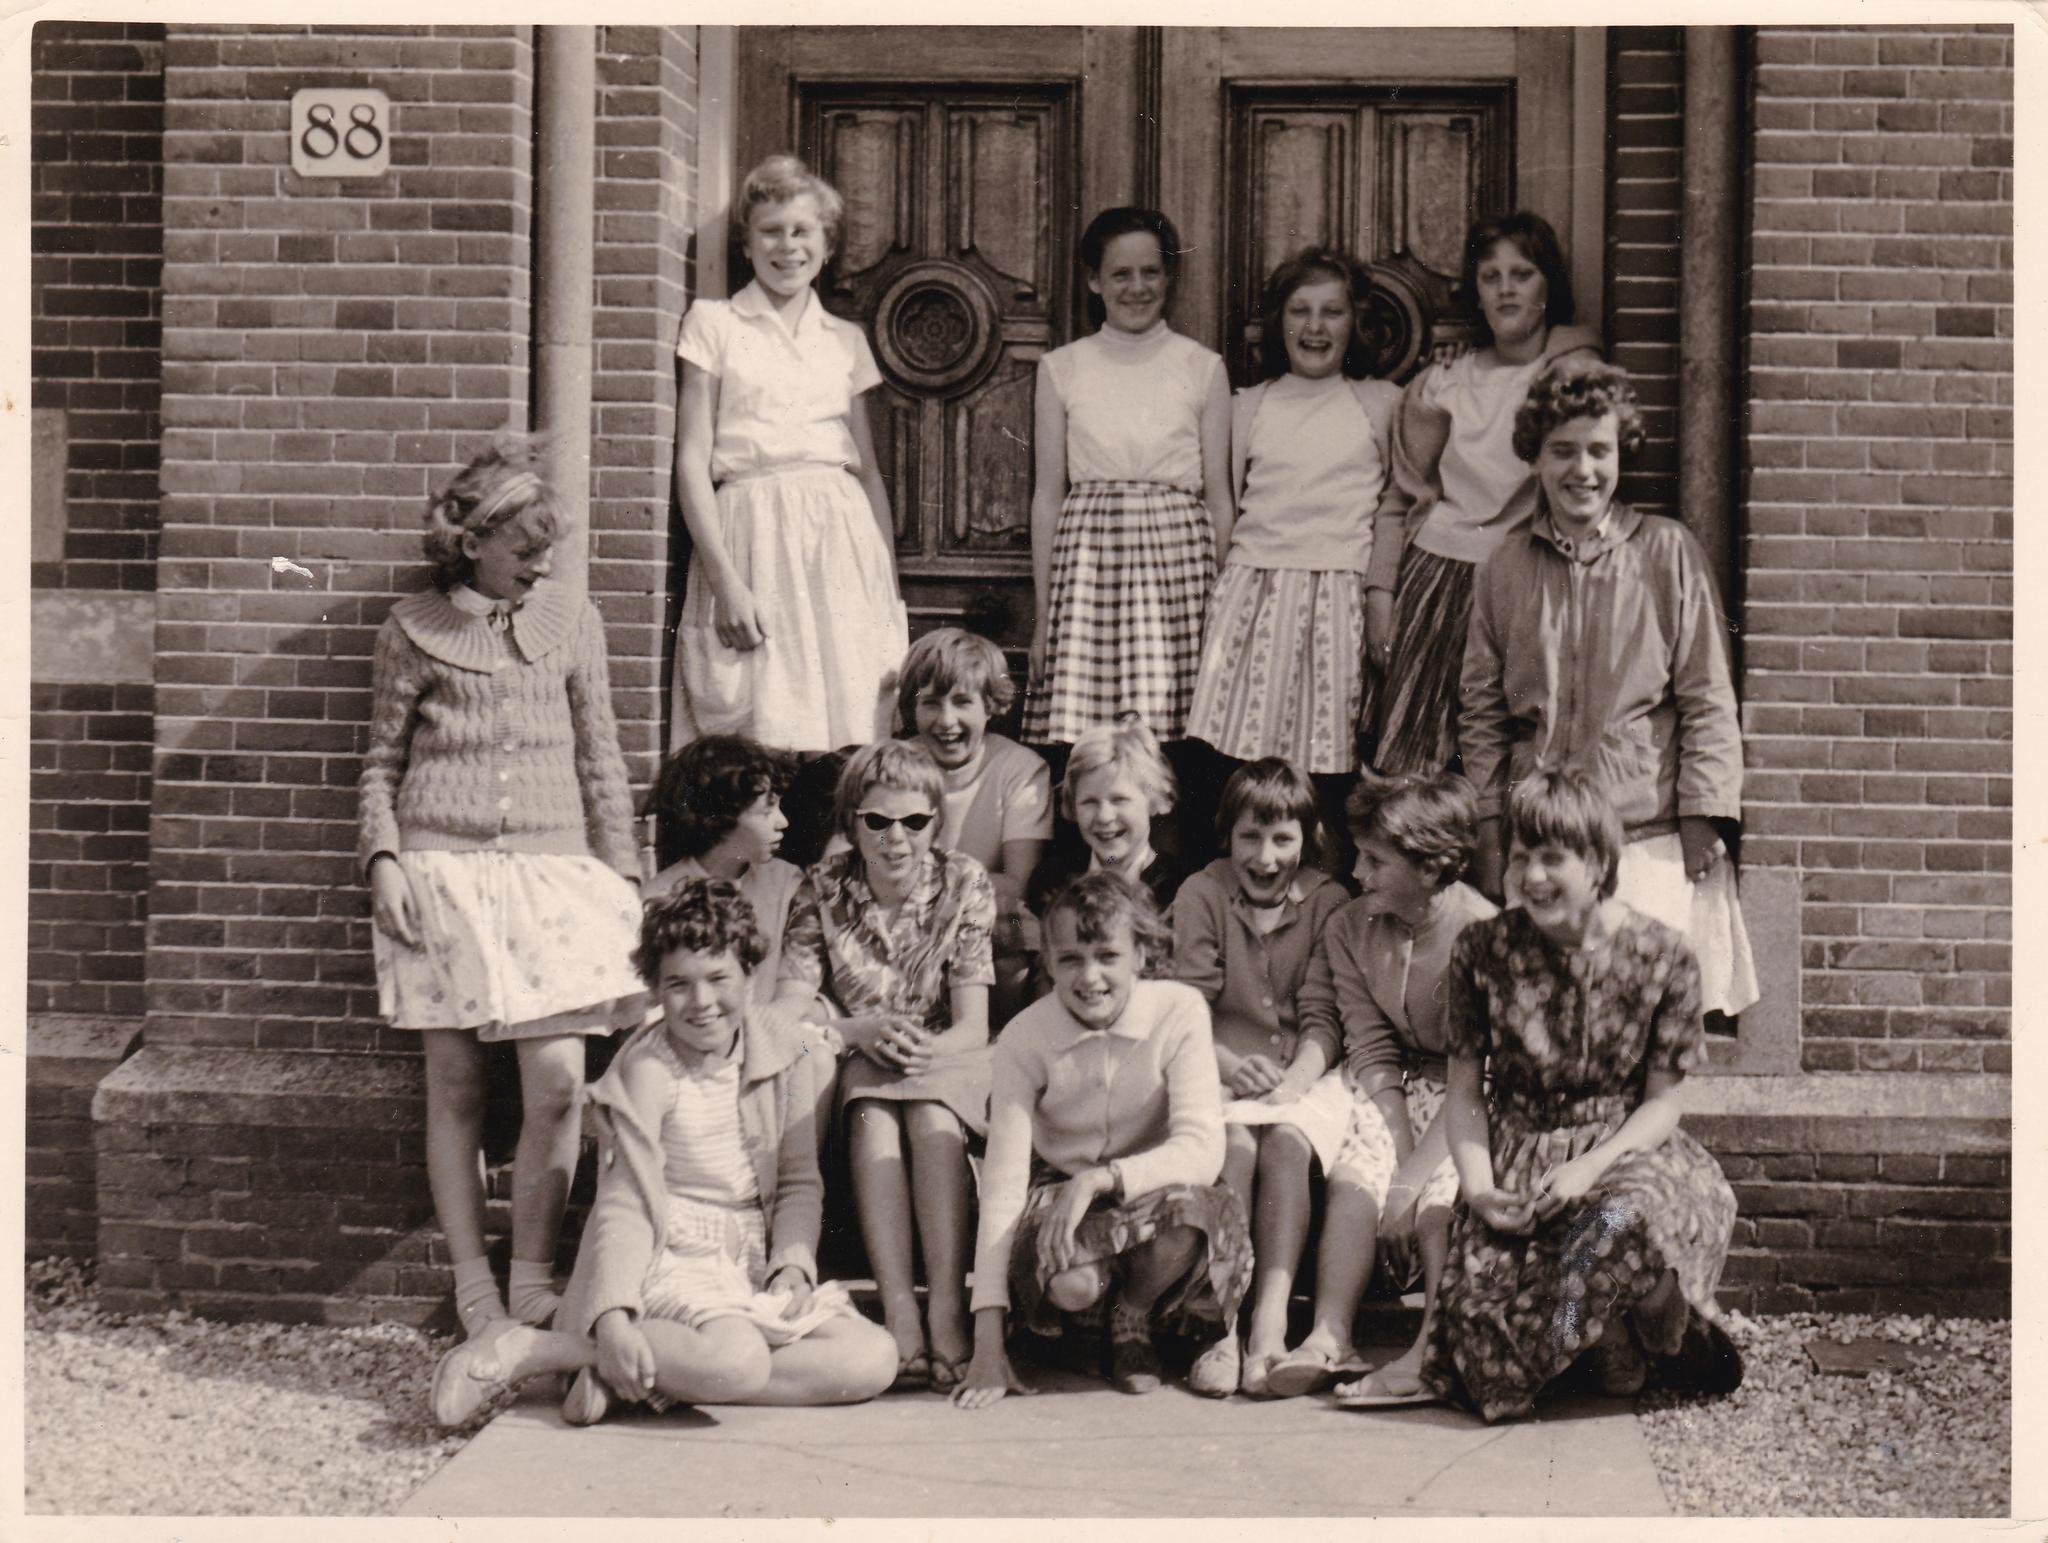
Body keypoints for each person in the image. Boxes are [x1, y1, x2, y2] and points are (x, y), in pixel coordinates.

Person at [359, 433, 645, 1343]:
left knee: (558, 1082)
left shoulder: (574, 622)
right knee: (455, 1085)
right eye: (524, 548)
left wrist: (624, 876)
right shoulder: (411, 631)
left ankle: (531, 1278)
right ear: (472, 541)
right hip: (441, 877)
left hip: (553, 875)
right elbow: (380, 764)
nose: (541, 564)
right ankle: (475, 1286)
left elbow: (602, 758)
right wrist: (382, 859)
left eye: (548, 547)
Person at [427, 880, 899, 1427]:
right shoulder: (649, 1070)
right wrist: (613, 1317)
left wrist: (791, 1267)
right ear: (654, 989)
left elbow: (797, 1181)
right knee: (739, 1363)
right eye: (678, 985)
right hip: (666, 1254)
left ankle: (622, 1375)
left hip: (742, 1261)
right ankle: (549, 1350)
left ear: (749, 976)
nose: (701, 1003)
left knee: (871, 1358)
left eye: (718, 978)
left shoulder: (785, 1048)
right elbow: (625, 1204)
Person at [1423, 769, 1743, 1423]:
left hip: (1625, 1148)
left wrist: (1590, 1166)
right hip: (1520, 1151)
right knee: (1483, 1361)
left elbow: (1662, 1103)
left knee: (1618, 1220)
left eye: (1552, 858)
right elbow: (1465, 1093)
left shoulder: (1664, 955)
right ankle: (1604, 1331)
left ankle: (1659, 1313)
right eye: (1520, 857)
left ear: (1598, 863)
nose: (1532, 876)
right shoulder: (1482, 950)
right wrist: (1479, 1188)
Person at [1460, 361, 1757, 1019]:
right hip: (1540, 839)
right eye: (1562, 451)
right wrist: (1489, 826)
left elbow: (1708, 695)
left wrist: (1703, 812)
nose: (1583, 470)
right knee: (1548, 1021)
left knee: (1642, 1016)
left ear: (1622, 453)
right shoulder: (1505, 567)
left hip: (1643, 833)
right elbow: (1480, 709)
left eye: (1599, 450)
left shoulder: (1668, 553)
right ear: (1535, 457)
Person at [953, 873, 1250, 1407]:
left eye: (1107, 956)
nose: (1090, 977)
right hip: (1060, 1182)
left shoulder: (1180, 1009)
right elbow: (1002, 1185)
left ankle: (1131, 1314)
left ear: (1141, 955)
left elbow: (1202, 1148)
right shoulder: (1025, 1035)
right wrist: (987, 1348)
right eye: (1070, 959)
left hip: (1151, 1180)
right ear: (1048, 962)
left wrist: (1102, 1179)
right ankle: (1087, 1319)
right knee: (1071, 1282)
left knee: (1191, 1216)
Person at [772, 740, 996, 1393]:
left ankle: (946, 1306)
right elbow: (787, 1009)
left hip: (946, 1053)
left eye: (914, 822)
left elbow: (971, 1024)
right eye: (877, 821)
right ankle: (900, 1308)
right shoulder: (822, 887)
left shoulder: (964, 882)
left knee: (931, 1117)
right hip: (863, 1053)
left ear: (936, 822)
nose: (896, 839)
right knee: (873, 1116)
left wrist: (929, 1054)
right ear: (852, 822)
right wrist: (853, 1031)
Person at [1264, 771, 1496, 1402]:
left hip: (1473, 1095)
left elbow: (1480, 1075)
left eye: (1375, 860)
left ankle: (1432, 1350)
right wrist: (1395, 1146)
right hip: (1393, 1085)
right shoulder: (1351, 926)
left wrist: (1410, 1181)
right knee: (1354, 1176)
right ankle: (1331, 1335)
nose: (1358, 873)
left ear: (1430, 867)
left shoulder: (1487, 937)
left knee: (1437, 1202)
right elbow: (1367, 1040)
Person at [671, 153, 908, 753]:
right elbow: (692, 460)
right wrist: (726, 581)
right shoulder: (715, 323)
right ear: (746, 244)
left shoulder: (845, 341)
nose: (787, 246)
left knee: (849, 722)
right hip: (751, 537)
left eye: (803, 231)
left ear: (827, 245)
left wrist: (886, 589)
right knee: (756, 724)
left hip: (839, 542)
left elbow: (867, 473)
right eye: (770, 231)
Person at [1358, 210, 1602, 776]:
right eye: (1491, 277)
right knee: (1419, 762)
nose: (1506, 289)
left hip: (1522, 579)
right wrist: (1380, 593)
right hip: (1436, 579)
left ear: (1548, 286)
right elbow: (1402, 498)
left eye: (1523, 274)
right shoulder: (1444, 383)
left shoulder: (1569, 377)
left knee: (1506, 754)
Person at [1185, 248, 1401, 870]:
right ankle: (1240, 883)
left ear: (1355, 322)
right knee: (1241, 761)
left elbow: (1398, 505)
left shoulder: (1382, 403)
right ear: (1278, 321)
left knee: (1329, 764)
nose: (1315, 327)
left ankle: (1322, 890)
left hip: (1338, 596)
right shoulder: (1249, 404)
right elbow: (1224, 500)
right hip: (1255, 595)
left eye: (1332, 312)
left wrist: (1380, 596)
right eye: (1300, 311)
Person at [1021, 206, 1233, 758]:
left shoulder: (1201, 367)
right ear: (1095, 281)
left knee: (1173, 734)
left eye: (1150, 272)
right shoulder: (1063, 367)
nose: (1137, 287)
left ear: (1168, 277)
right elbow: (1047, 496)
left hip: (1177, 568)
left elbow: (1218, 495)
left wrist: (1224, 606)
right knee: (1089, 740)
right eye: (1121, 274)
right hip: (1090, 566)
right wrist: (1044, 618)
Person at [1167, 758, 1348, 1396]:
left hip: (1305, 1073)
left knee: (1289, 1145)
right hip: (1216, 1065)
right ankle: (1223, 1322)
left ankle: (1269, 1324)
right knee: (1235, 1148)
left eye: (1282, 839)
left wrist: (1296, 1080)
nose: (1266, 857)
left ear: (1308, 839)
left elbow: (1325, 1014)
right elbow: (1188, 1007)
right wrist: (1225, 1063)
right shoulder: (1202, 894)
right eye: (1250, 837)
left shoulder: (1328, 901)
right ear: (1227, 835)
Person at [898, 627, 1051, 1026]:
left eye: (962, 702)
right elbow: (868, 859)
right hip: (902, 912)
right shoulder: (895, 765)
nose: (946, 721)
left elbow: (1016, 882)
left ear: (990, 706)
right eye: (931, 703)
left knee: (1017, 932)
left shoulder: (1019, 769)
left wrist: (922, 884)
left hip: (986, 912)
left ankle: (997, 1035)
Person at [644, 734, 802, 1004]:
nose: (783, 822)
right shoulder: (660, 898)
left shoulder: (786, 881)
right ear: (720, 818)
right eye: (766, 812)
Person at [1027, 713, 1191, 921]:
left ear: (1152, 801)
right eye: (1089, 802)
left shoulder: (1179, 888)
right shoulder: (1052, 882)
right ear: (1073, 805)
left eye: (1119, 799)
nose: (1104, 817)